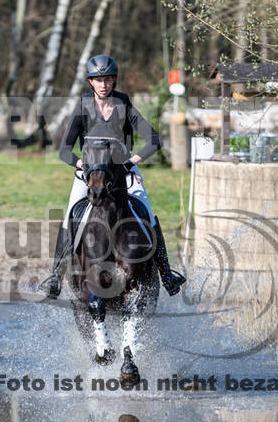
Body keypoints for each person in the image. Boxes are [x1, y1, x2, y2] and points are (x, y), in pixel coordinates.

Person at [41, 54, 186, 299]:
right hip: (90, 173)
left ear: (114, 80)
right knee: (69, 216)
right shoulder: (82, 106)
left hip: (124, 171)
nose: (104, 84)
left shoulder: (124, 104)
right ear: (90, 82)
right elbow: (64, 150)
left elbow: (153, 141)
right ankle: (55, 277)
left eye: (108, 79)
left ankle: (166, 275)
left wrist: (131, 162)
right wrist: (83, 166)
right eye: (98, 80)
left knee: (148, 214)